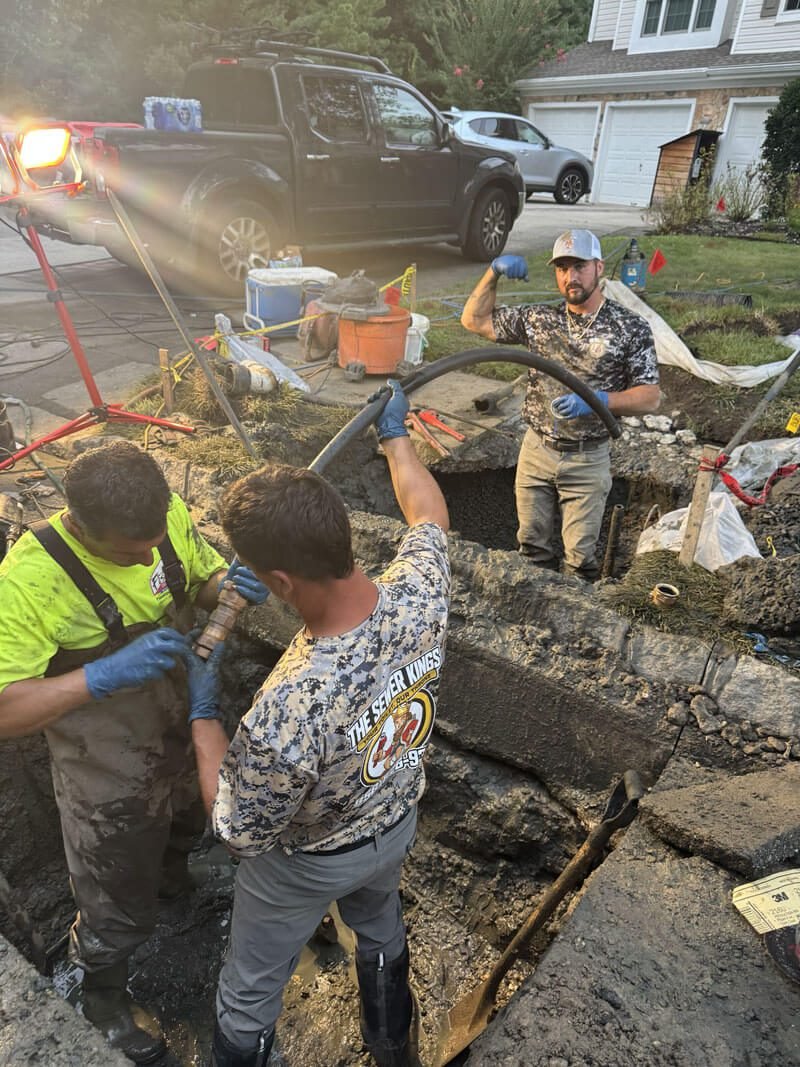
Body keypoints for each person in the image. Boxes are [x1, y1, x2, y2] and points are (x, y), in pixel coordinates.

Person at [185, 381, 451, 1067]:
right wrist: (396, 438)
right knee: (380, 924)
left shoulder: (287, 706)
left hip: (307, 863)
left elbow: (237, 827)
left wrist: (202, 715)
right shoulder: (419, 592)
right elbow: (428, 511)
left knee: (247, 996)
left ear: (278, 580)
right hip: (393, 818)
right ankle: (395, 1051)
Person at [0, 440, 268, 1064]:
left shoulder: (161, 514)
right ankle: (102, 998)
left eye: (153, 541)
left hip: (179, 716)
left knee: (185, 819)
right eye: (130, 551)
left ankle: (172, 887)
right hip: (104, 760)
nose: (148, 554)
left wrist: (229, 585)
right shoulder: (28, 581)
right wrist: (98, 677)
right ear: (83, 526)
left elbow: (200, 581)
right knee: (113, 878)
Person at [461, 228, 661, 580]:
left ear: (599, 267)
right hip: (537, 451)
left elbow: (650, 396)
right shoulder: (540, 320)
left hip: (588, 457)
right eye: (562, 268)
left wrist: (600, 401)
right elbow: (474, 320)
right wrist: (492, 272)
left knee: (580, 560)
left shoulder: (630, 328)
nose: (571, 277)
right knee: (531, 548)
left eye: (579, 266)